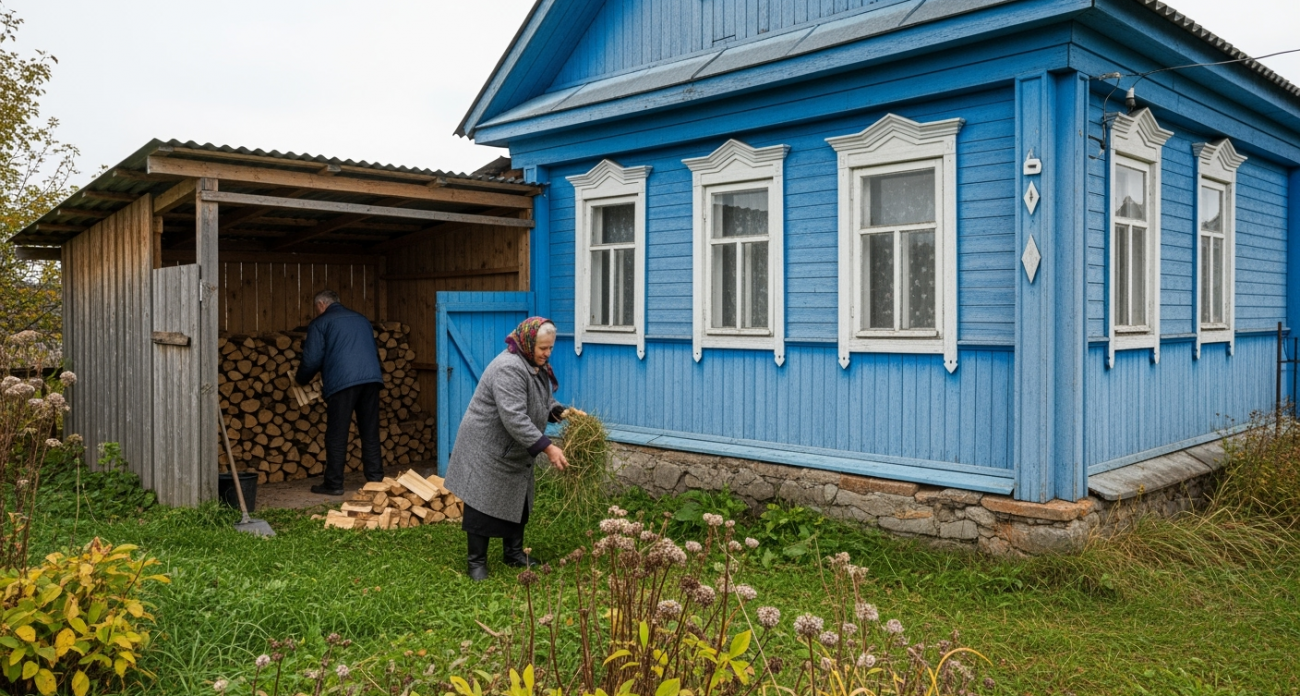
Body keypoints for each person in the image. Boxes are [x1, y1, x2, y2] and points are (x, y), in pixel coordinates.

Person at [445, 317, 579, 581]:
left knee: (519, 498)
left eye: (550, 347)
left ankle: (514, 553)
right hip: (487, 445)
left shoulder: (535, 364)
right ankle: (476, 563)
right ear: (528, 343)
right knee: (483, 501)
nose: (547, 353)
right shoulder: (508, 368)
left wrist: (560, 412)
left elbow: (543, 400)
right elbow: (514, 417)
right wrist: (548, 448)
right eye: (543, 348)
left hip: (513, 446)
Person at [295, 289, 386, 495]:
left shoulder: (320, 323)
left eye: (316, 307)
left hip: (342, 382)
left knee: (337, 433)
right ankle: (375, 480)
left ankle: (334, 484)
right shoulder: (361, 319)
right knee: (370, 431)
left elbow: (311, 360)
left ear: (321, 304)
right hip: (371, 379)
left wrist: (300, 380)